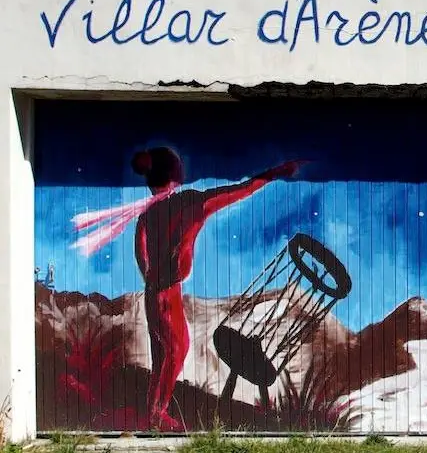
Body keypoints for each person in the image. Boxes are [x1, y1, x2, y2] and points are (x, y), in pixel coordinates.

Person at [71, 147, 304, 430]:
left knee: (163, 354)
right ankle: (157, 414)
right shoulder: (191, 203)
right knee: (177, 351)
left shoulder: (147, 214)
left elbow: (140, 253)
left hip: (154, 293)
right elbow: (241, 190)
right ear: (176, 175)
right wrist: (275, 173)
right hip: (169, 295)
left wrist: (152, 279)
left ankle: (155, 411)